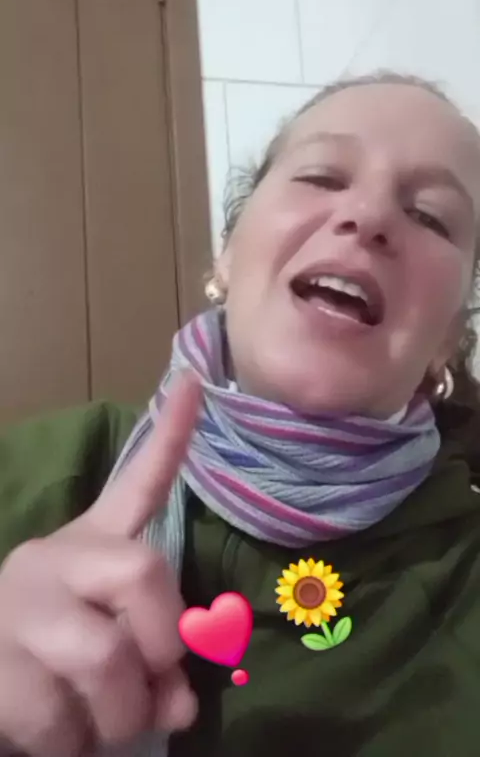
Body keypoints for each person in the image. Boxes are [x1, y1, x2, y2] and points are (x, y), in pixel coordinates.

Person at [1, 70, 480, 757]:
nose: (369, 216)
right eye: (321, 176)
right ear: (226, 254)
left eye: (430, 216)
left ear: (447, 339)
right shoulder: (41, 474)